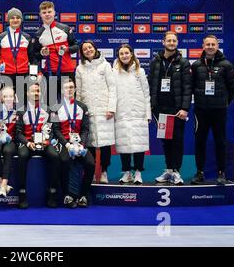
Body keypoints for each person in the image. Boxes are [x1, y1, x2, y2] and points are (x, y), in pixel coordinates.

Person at [191, 35, 234, 185]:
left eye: (213, 44)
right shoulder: (197, 65)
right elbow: (190, 87)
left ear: (217, 46)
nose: (210, 46)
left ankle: (221, 173)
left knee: (220, 142)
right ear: (203, 46)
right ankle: (199, 173)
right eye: (207, 44)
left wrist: (223, 103)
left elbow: (232, 89)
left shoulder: (227, 65)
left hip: (219, 111)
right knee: (200, 142)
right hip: (200, 111)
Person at [148, 31, 192, 185]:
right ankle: (168, 170)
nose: (172, 43)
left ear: (177, 43)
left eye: (174, 41)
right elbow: (150, 85)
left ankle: (176, 172)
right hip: (161, 109)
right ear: (163, 42)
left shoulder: (183, 62)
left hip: (177, 110)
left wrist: (185, 108)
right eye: (169, 40)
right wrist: (152, 106)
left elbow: (188, 87)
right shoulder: (155, 61)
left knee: (177, 141)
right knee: (166, 141)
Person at [75, 40, 116, 184]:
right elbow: (78, 92)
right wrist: (78, 111)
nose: (88, 50)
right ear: (82, 53)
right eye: (85, 49)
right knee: (90, 144)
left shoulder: (105, 66)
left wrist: (111, 108)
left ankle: (104, 172)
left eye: (90, 48)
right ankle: (91, 173)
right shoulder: (80, 68)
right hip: (88, 111)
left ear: (95, 48)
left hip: (105, 111)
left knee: (105, 144)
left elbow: (112, 88)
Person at [16, 81, 60, 209]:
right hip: (29, 142)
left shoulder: (48, 109)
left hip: (44, 143)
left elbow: (53, 129)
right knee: (22, 156)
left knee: (55, 156)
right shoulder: (21, 110)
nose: (36, 93)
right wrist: (27, 143)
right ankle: (22, 193)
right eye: (33, 91)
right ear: (27, 93)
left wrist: (47, 141)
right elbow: (18, 133)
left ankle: (52, 192)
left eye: (38, 91)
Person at [52, 78, 95, 208]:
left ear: (75, 89)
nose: (69, 89)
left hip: (79, 144)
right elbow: (55, 129)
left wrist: (80, 144)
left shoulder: (82, 107)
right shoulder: (55, 108)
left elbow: (85, 129)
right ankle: (67, 195)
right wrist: (67, 144)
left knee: (90, 163)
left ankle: (83, 195)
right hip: (64, 143)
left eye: (71, 87)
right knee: (64, 161)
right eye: (66, 87)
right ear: (62, 90)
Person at [113, 44, 151, 185]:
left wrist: (147, 113)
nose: (124, 56)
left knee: (139, 145)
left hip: (138, 114)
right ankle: (127, 172)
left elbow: (146, 93)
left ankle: (138, 173)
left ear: (131, 54)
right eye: (121, 53)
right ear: (119, 56)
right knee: (124, 145)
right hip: (121, 113)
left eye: (126, 53)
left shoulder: (139, 72)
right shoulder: (114, 73)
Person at [33, 1, 78, 103]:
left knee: (69, 103)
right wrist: (41, 53)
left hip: (67, 71)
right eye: (44, 12)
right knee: (50, 103)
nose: (47, 14)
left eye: (49, 11)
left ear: (54, 13)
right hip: (50, 73)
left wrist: (67, 49)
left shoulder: (65, 28)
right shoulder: (38, 34)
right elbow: (34, 57)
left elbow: (76, 46)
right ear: (40, 15)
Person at [0, 7, 35, 93]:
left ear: (21, 20)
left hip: (23, 74)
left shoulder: (27, 37)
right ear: (8, 20)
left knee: (22, 102)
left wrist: (34, 75)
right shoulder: (1, 37)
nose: (15, 20)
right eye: (12, 18)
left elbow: (32, 58)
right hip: (6, 75)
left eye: (18, 17)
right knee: (6, 102)